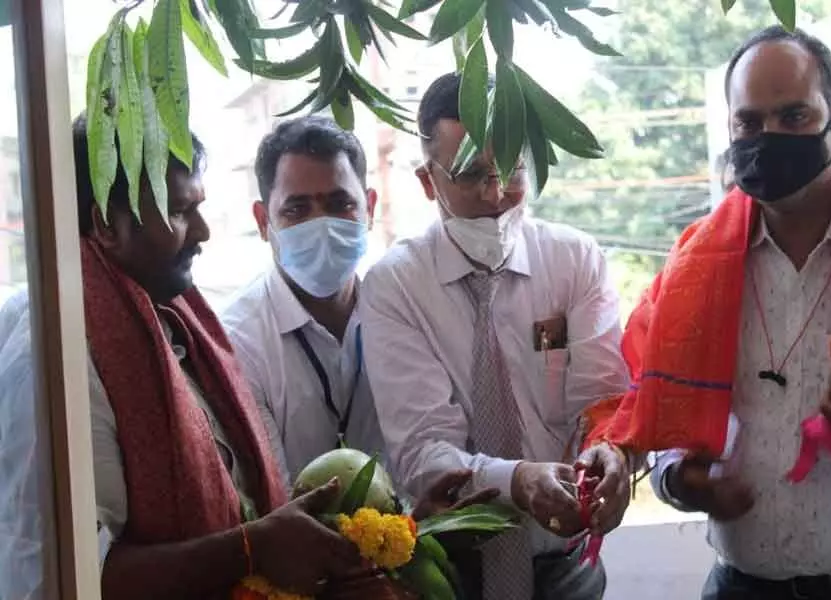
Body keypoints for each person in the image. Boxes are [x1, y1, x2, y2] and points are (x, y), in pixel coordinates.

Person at [0, 116, 485, 600]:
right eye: (181, 212)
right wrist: (252, 549)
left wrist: (391, 534)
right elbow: (57, 575)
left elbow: (235, 508)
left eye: (339, 204)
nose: (204, 232)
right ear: (107, 225)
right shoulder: (53, 364)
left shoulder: (170, 330)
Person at [584, 27, 831, 600]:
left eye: (793, 117)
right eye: (749, 122)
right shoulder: (692, 269)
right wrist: (679, 480)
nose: (768, 138)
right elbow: (646, 408)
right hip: (742, 587)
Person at [359, 72, 633, 600]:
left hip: (568, 565)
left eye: (511, 168)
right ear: (427, 181)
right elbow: (421, 451)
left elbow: (603, 403)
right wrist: (516, 480)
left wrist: (611, 454)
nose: (496, 194)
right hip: (454, 573)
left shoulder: (573, 261)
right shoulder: (396, 286)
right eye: (471, 175)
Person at [221, 116, 384, 490]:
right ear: (264, 221)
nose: (322, 225)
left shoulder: (403, 310)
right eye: (297, 209)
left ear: (369, 207)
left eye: (340, 203)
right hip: (291, 544)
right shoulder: (236, 342)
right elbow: (269, 494)